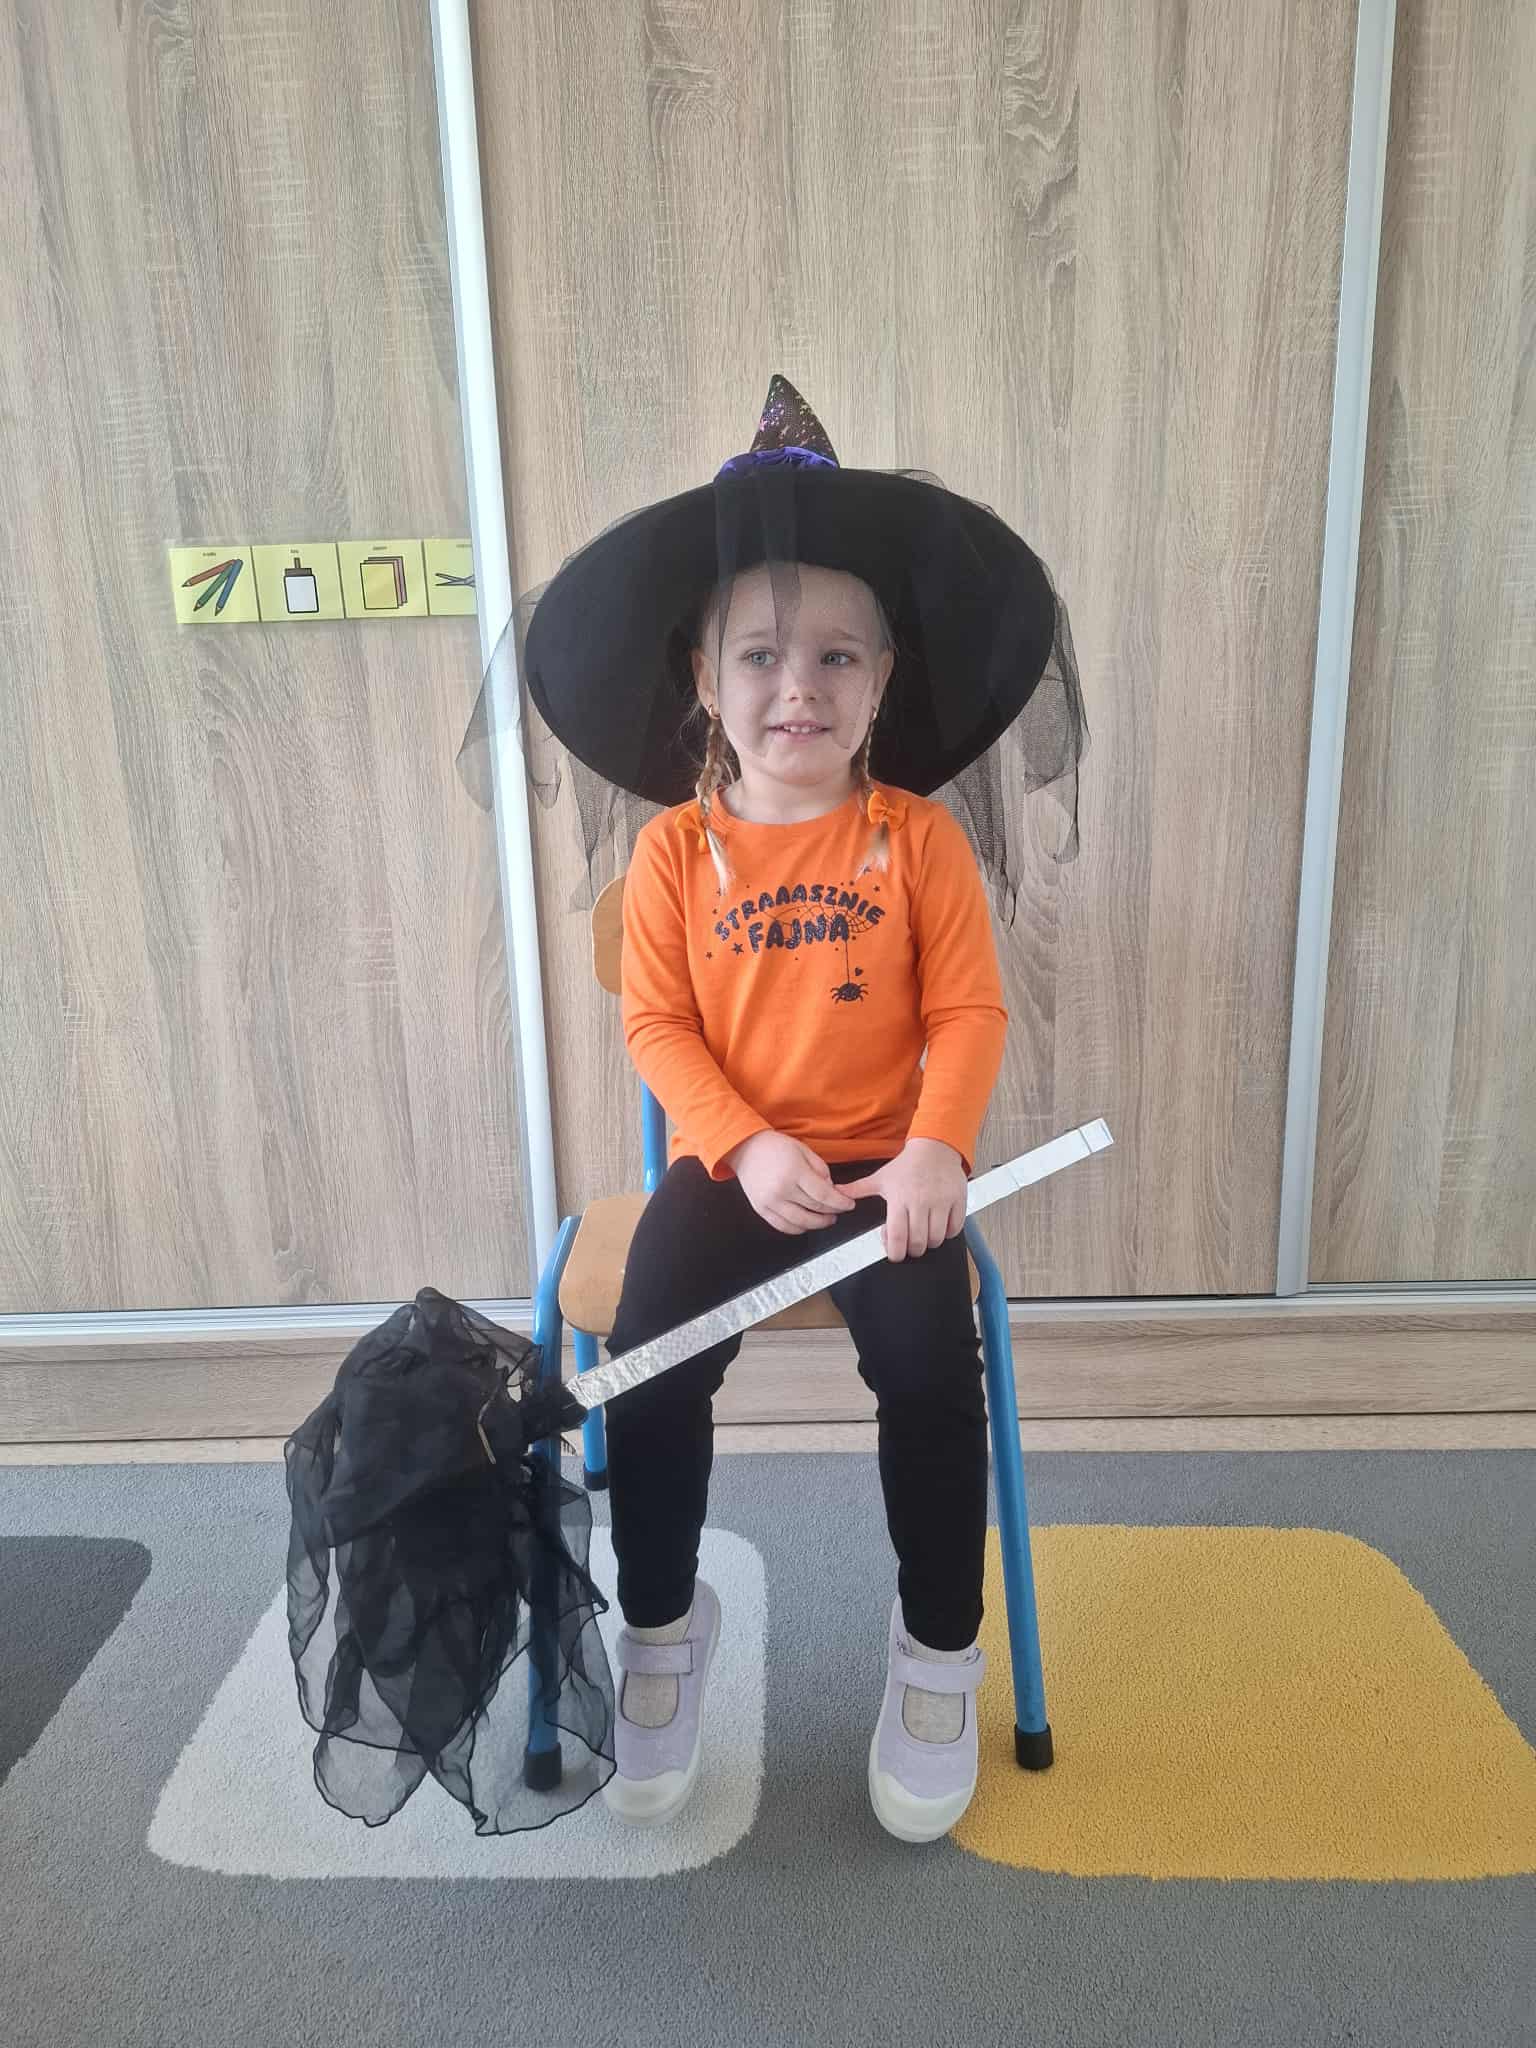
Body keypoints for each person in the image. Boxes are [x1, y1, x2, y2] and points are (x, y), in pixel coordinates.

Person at [494, 373, 1086, 1843]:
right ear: (705, 679)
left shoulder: (921, 844)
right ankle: (660, 1626)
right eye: (759, 655)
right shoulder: (674, 859)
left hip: (887, 1173)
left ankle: (937, 1650)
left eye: (835, 655)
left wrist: (939, 1147)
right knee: (649, 1361)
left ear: (883, 680)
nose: (798, 688)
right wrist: (745, 1142)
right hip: (729, 1169)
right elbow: (657, 1026)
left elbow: (967, 1014)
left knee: (933, 1371)